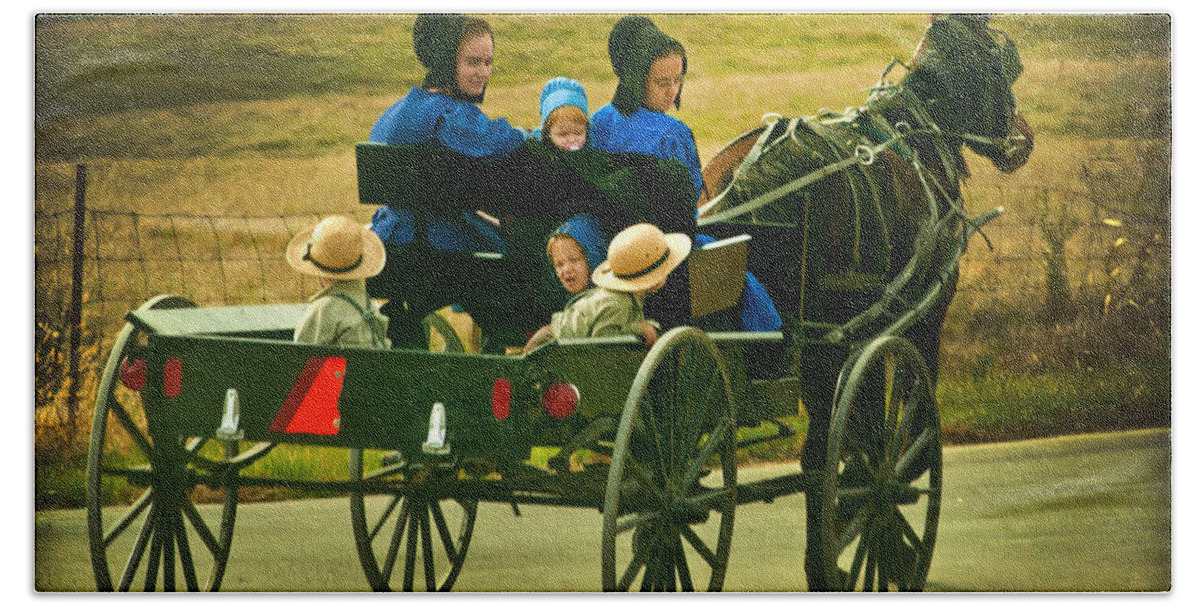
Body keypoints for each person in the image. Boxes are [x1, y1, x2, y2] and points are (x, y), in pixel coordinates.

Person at [523, 222, 689, 354]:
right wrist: (637, 328)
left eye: (574, 260)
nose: (566, 269)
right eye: (559, 264)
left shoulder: (624, 298)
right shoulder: (618, 302)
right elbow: (603, 339)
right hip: (549, 342)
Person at [590, 15, 704, 199]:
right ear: (636, 79)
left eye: (678, 79)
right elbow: (692, 194)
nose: (673, 91)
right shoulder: (672, 134)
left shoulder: (598, 120)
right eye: (662, 83)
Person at [287, 215, 391, 349]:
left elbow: (300, 355)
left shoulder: (322, 309)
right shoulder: (366, 302)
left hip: (347, 369)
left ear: (319, 274)